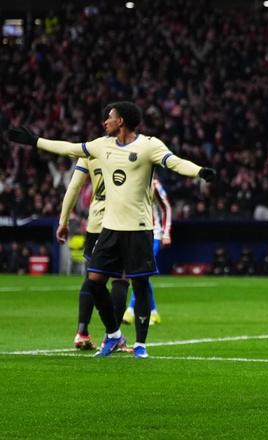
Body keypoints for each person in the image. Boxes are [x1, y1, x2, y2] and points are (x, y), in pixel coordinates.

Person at [8, 101, 216, 358]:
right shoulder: (101, 145)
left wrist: (199, 172)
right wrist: (35, 141)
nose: (105, 121)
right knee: (94, 281)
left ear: (121, 121)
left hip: (138, 228)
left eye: (109, 117)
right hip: (109, 229)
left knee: (139, 285)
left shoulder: (149, 145)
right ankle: (114, 335)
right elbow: (69, 148)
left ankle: (140, 345)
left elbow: (174, 162)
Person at [57, 155, 130, 351]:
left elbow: (74, 187)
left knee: (92, 276)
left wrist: (63, 221)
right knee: (121, 279)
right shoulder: (130, 149)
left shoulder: (90, 151)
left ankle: (82, 333)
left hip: (95, 222)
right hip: (119, 221)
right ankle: (111, 337)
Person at [123, 176, 171, 326]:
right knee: (141, 275)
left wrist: (166, 233)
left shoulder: (154, 184)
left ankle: (130, 310)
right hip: (135, 233)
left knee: (141, 273)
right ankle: (154, 312)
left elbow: (166, 207)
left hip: (153, 234)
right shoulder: (129, 181)